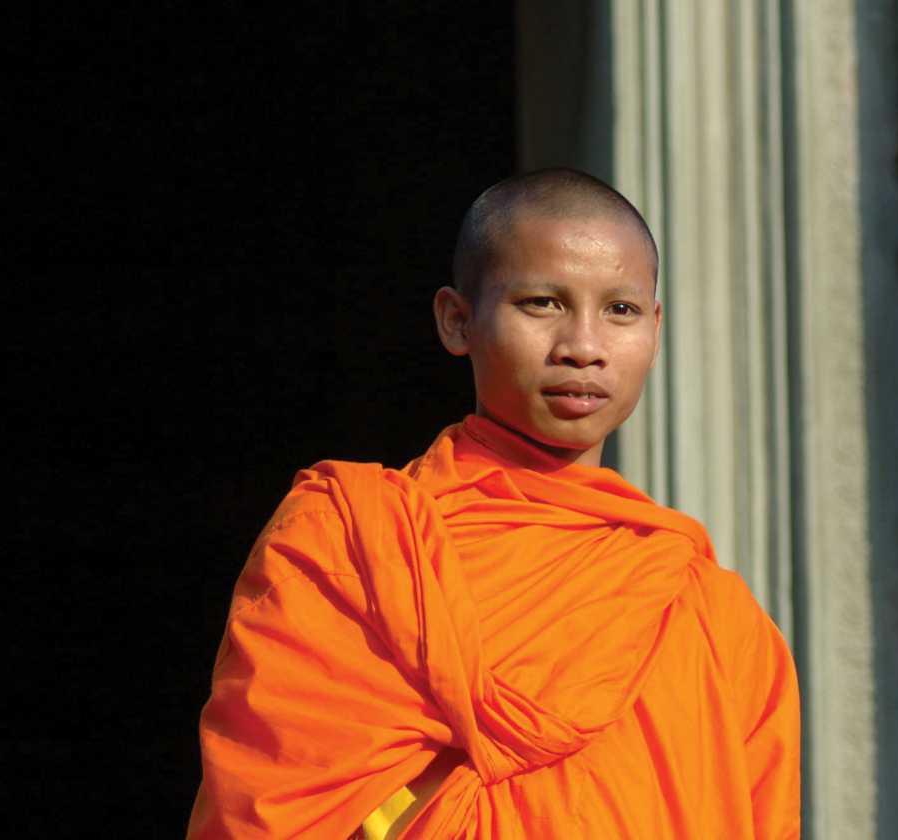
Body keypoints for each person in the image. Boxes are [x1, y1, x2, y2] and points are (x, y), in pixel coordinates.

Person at [189, 169, 801, 839]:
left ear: (655, 332)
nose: (584, 348)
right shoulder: (352, 547)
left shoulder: (711, 612)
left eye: (619, 310)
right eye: (542, 303)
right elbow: (270, 804)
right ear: (458, 321)